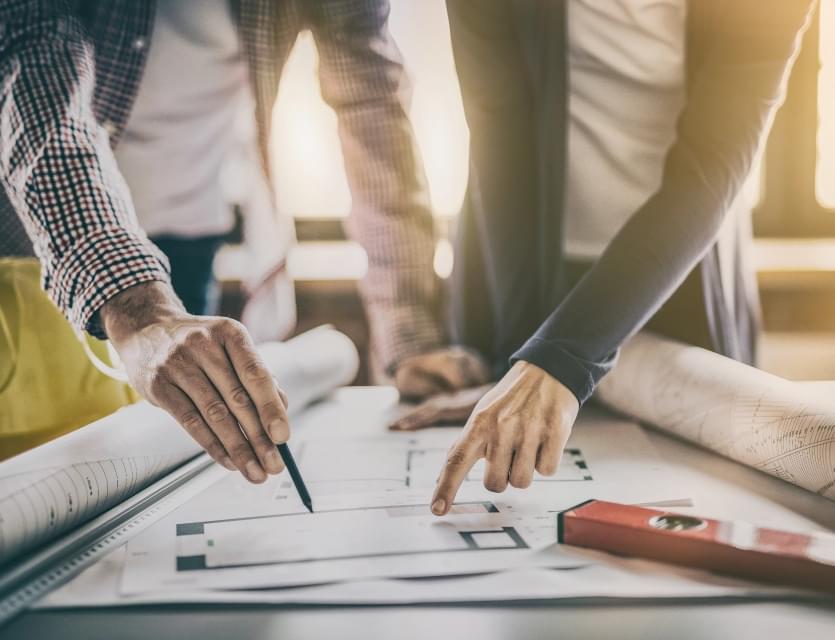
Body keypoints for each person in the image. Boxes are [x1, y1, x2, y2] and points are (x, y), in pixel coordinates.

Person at [0, 1, 485, 477]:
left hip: (189, 250)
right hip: (35, 253)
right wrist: (141, 310)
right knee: (45, 483)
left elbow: (371, 103)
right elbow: (40, 88)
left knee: (170, 480)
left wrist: (413, 340)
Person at [395, 0, 816, 516]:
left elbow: (713, 168)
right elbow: (500, 129)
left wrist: (562, 357)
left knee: (696, 517)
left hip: (677, 271)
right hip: (522, 277)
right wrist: (519, 358)